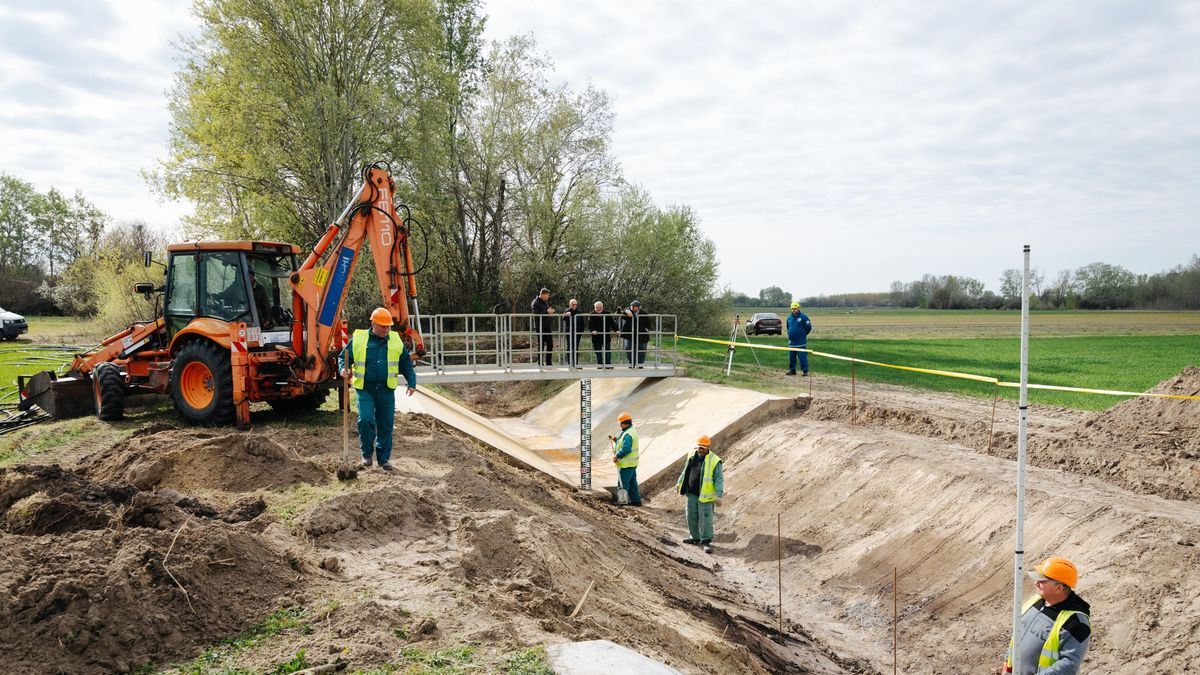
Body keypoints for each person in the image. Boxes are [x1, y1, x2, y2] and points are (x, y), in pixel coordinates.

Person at [338, 307, 417, 471]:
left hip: (386, 389)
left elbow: (406, 364)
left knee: (386, 424)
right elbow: (343, 357)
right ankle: (366, 455)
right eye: (382, 326)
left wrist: (412, 382)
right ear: (373, 324)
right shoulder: (359, 339)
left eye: (388, 326)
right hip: (365, 388)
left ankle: (383, 459)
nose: (386, 329)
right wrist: (342, 369)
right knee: (366, 419)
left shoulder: (395, 340)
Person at [1003, 556, 1091, 675]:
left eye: (1042, 581)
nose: (1035, 583)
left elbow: (1069, 665)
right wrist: (1007, 666)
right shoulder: (1035, 601)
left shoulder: (1076, 622)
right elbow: (1017, 637)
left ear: (1058, 588)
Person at [676, 435, 724, 553]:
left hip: (706, 496)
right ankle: (694, 537)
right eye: (699, 447)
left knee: (705, 520)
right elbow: (685, 470)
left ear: (708, 447)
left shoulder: (714, 460)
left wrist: (718, 494)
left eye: (702, 447)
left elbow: (719, 479)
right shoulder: (692, 455)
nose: (700, 450)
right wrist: (679, 483)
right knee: (690, 516)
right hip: (691, 493)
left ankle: (706, 541)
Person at [609, 411, 642, 506]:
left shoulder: (627, 434)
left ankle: (622, 503)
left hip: (626, 465)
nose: (620, 425)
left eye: (620, 423)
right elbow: (625, 443)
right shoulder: (632, 430)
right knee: (632, 483)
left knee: (622, 484)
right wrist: (616, 440)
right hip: (632, 464)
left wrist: (617, 455)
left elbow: (626, 449)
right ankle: (636, 501)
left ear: (624, 423)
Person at [785, 301, 812, 376]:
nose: (794, 310)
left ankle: (805, 371)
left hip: (800, 342)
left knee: (802, 357)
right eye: (793, 309)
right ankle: (792, 370)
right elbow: (788, 328)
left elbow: (808, 327)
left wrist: (803, 335)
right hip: (792, 342)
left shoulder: (803, 317)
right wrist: (790, 334)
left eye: (795, 308)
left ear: (798, 308)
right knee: (792, 357)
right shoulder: (789, 318)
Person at [531, 287, 556, 365]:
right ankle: (540, 362)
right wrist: (547, 312)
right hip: (540, 327)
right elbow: (536, 315)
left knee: (550, 344)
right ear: (543, 294)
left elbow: (545, 312)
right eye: (547, 295)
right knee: (541, 344)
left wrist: (550, 312)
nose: (548, 297)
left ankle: (549, 362)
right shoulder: (535, 303)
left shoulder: (545, 302)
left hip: (547, 326)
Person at [622, 300, 650, 367]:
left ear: (638, 307)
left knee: (642, 348)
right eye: (631, 306)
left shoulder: (644, 313)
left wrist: (646, 329)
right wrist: (624, 312)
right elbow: (620, 317)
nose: (632, 308)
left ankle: (640, 363)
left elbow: (648, 323)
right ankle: (631, 363)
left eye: (634, 307)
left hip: (641, 334)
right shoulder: (627, 312)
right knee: (628, 348)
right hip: (629, 334)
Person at [588, 301, 616, 368]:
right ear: (594, 307)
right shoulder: (591, 314)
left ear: (602, 307)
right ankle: (600, 364)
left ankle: (608, 364)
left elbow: (612, 323)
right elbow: (590, 324)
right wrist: (593, 330)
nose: (598, 308)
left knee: (607, 351)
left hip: (606, 335)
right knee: (598, 352)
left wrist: (616, 330)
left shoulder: (607, 313)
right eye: (597, 307)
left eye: (600, 307)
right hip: (596, 336)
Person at [563, 298, 584, 366]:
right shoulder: (567, 311)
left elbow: (582, 322)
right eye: (573, 304)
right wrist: (566, 314)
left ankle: (576, 363)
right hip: (570, 332)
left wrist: (581, 331)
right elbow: (563, 318)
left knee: (576, 347)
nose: (574, 306)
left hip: (577, 332)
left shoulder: (579, 312)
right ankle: (570, 363)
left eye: (575, 304)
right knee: (570, 347)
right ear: (570, 305)